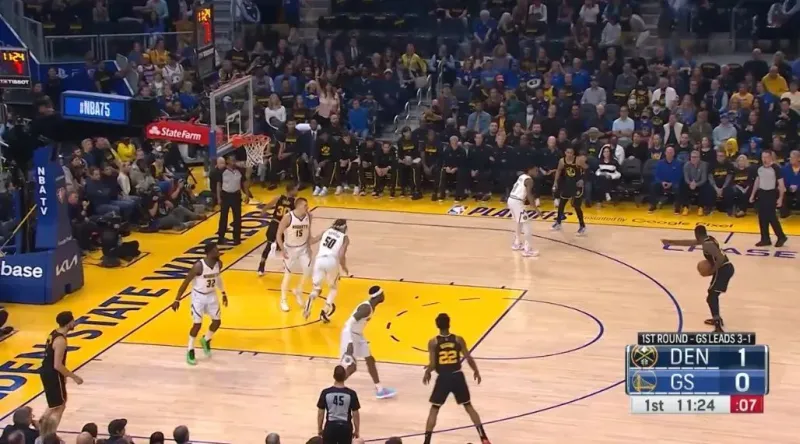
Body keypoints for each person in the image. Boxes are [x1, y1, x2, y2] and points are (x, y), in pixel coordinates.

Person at [422, 313, 490, 444]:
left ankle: (426, 441)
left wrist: (428, 371)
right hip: (457, 376)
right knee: (468, 406)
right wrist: (476, 370)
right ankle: (483, 437)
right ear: (449, 324)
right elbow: (468, 358)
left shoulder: (433, 342)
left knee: (434, 409)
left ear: (437, 325)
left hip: (443, 378)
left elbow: (433, 364)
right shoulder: (458, 339)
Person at [661, 225, 734, 332]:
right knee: (712, 295)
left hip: (723, 270)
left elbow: (721, 258)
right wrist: (671, 242)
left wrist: (712, 270)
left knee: (712, 297)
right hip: (724, 269)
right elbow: (690, 242)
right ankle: (716, 318)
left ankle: (718, 326)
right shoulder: (709, 239)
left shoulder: (707, 245)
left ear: (696, 234)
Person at [171, 243, 228, 365]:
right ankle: (190, 349)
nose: (218, 252)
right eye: (216, 250)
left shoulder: (219, 264)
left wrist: (223, 293)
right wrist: (177, 300)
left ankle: (206, 339)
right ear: (209, 253)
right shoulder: (198, 266)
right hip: (199, 297)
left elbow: (218, 279)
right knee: (197, 324)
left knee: (217, 322)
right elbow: (186, 282)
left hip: (212, 295)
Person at [340, 286, 396, 399]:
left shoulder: (371, 307)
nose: (384, 296)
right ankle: (336, 387)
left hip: (358, 335)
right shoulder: (366, 308)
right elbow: (349, 323)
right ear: (378, 296)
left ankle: (380, 389)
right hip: (350, 335)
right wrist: (350, 343)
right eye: (383, 294)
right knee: (352, 367)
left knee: (370, 360)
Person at [38, 311, 83, 433]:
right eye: (73, 321)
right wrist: (74, 376)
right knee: (60, 405)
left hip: (47, 371)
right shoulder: (60, 340)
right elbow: (57, 365)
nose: (75, 323)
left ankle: (41, 424)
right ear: (68, 323)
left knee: (55, 404)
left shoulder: (54, 333)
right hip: (52, 373)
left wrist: (64, 375)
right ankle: (50, 433)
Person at [303, 219, 350, 322]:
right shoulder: (344, 238)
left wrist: (307, 229)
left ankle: (309, 302)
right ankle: (325, 311)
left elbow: (312, 241)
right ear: (344, 228)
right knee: (333, 288)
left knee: (316, 289)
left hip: (319, 260)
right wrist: (344, 267)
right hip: (331, 261)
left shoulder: (326, 231)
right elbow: (341, 255)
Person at [276, 197, 314, 312]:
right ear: (298, 206)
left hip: (303, 248)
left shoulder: (309, 216)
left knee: (308, 270)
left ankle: (298, 290)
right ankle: (283, 299)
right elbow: (278, 234)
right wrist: (282, 249)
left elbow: (308, 233)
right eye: (305, 205)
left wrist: (309, 247)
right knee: (288, 275)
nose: (307, 207)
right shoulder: (288, 217)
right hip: (290, 249)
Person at [256, 182, 299, 276]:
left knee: (268, 245)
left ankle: (261, 266)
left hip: (274, 223)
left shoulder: (279, 197)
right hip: (284, 227)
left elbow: (268, 205)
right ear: (291, 190)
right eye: (296, 189)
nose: (297, 191)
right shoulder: (295, 201)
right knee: (288, 246)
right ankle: (286, 264)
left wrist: (263, 211)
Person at [749, 150, 788, 247]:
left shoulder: (776, 168)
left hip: (771, 193)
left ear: (771, 158)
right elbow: (757, 181)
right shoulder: (759, 168)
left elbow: (781, 184)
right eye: (763, 157)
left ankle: (781, 236)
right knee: (762, 217)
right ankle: (765, 239)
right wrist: (752, 195)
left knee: (771, 216)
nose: (764, 159)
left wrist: (780, 198)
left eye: (766, 157)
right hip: (762, 193)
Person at [316, 366, 361, 444]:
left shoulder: (325, 393)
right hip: (345, 428)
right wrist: (357, 430)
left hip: (330, 427)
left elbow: (320, 413)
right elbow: (355, 414)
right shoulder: (351, 394)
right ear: (345, 376)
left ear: (334, 376)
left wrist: (320, 428)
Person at [552, 147, 587, 235]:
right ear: (565, 153)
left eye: (571, 153)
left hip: (577, 186)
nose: (569, 154)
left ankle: (582, 226)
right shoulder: (562, 161)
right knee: (561, 204)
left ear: (573, 154)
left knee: (576, 206)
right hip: (568, 185)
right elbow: (558, 171)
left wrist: (583, 179)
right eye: (568, 152)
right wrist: (555, 182)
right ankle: (558, 222)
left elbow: (588, 169)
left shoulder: (578, 160)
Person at [506, 165, 539, 257]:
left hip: (511, 199)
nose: (537, 172)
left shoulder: (522, 176)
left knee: (519, 222)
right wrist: (536, 208)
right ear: (530, 170)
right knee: (527, 224)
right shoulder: (529, 180)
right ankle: (527, 250)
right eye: (535, 170)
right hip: (517, 202)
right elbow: (529, 195)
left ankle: (517, 243)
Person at [217, 155, 249, 245]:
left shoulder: (240, 170)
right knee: (223, 217)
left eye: (235, 160)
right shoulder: (222, 171)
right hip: (226, 196)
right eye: (232, 160)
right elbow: (218, 185)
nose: (234, 162)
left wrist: (247, 195)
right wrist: (219, 198)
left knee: (237, 218)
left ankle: (237, 238)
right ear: (227, 161)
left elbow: (244, 183)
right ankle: (221, 237)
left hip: (236, 196)